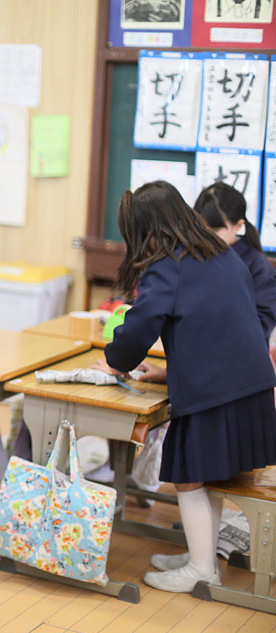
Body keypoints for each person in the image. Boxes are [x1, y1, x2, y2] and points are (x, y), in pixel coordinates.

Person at [92, 181, 276, 593]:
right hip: (252, 389)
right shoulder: (221, 254)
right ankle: (201, 555)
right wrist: (166, 372)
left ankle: (201, 570)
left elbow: (138, 329)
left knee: (190, 477)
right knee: (208, 474)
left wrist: (115, 362)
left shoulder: (168, 265)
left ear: (145, 228)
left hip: (216, 392)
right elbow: (219, 329)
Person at [194, 181, 276, 339]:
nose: (206, 236)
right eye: (201, 228)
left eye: (215, 229)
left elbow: (262, 324)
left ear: (239, 225)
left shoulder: (257, 266)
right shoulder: (194, 256)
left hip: (238, 349)